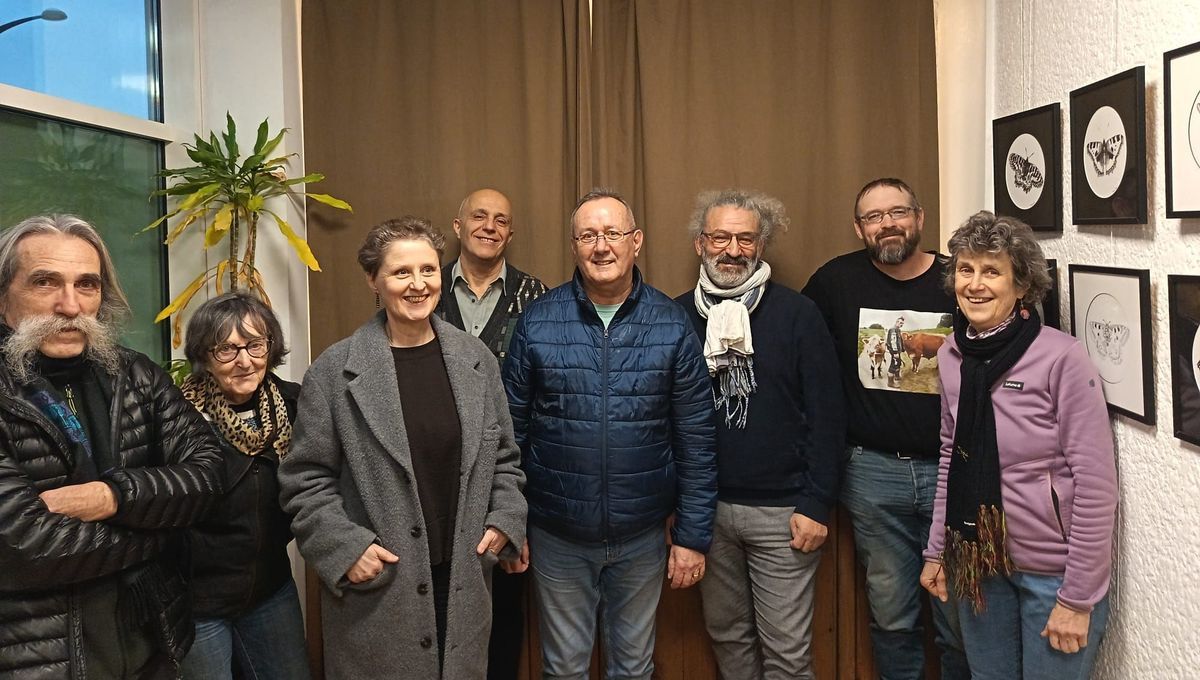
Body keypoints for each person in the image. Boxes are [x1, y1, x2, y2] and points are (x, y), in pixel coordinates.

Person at [279, 216, 526, 679]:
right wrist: (346, 549)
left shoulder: (476, 360)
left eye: (428, 270)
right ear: (373, 280)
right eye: (401, 272)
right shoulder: (334, 372)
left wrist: (503, 521)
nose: (418, 284)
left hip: (464, 580)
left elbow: (505, 460)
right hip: (380, 591)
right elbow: (304, 481)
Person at [503, 189, 718, 679]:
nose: (601, 246)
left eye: (612, 233)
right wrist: (511, 524)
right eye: (588, 236)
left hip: (642, 536)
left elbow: (697, 440)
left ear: (635, 241)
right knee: (563, 670)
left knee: (634, 669)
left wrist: (692, 536)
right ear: (574, 246)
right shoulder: (537, 321)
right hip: (556, 535)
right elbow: (509, 437)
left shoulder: (671, 324)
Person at [0, 214, 224, 678]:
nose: (70, 305)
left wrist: (113, 496)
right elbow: (23, 545)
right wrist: (163, 530)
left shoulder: (136, 374)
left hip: (153, 643)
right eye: (45, 282)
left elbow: (208, 472)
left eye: (87, 284)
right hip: (37, 660)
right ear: (4, 296)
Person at [920, 212, 1116, 679]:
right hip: (980, 563)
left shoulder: (1060, 357)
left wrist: (1078, 598)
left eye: (992, 271)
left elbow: (1096, 484)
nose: (975, 284)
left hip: (1054, 577)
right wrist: (937, 550)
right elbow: (952, 457)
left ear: (1022, 284)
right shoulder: (951, 355)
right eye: (965, 269)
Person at [675, 189, 845, 680]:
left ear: (761, 245)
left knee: (787, 654)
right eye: (720, 238)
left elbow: (828, 416)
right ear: (700, 244)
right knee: (728, 639)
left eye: (745, 239)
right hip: (706, 512)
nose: (733, 250)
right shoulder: (676, 316)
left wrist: (816, 503)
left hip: (784, 514)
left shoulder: (798, 315)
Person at [802, 178, 968, 679]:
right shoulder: (835, 281)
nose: (887, 224)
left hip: (953, 474)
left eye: (897, 212)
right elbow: (801, 357)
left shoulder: (958, 278)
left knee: (959, 618)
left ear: (920, 218)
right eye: (873, 217)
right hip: (871, 474)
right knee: (892, 615)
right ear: (859, 228)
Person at [435, 188, 546, 680]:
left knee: (503, 615)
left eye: (501, 220)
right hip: (436, 482)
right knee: (435, 615)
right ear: (458, 227)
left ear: (510, 233)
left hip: (508, 476)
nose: (489, 226)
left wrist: (520, 512)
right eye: (479, 216)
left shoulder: (537, 297)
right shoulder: (424, 288)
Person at [179, 292, 311, 679]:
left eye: (255, 345)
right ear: (204, 355)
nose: (245, 361)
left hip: (270, 588)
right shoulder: (178, 415)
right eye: (227, 349)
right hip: (198, 600)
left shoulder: (294, 403)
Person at [886, 316, 906, 386]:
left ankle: (897, 377)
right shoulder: (893, 330)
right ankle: (890, 383)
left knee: (898, 363)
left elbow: (899, 341)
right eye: (900, 323)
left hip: (897, 351)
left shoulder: (898, 330)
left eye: (902, 323)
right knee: (894, 365)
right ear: (897, 322)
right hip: (894, 351)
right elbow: (893, 342)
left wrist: (902, 349)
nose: (901, 325)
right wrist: (895, 352)